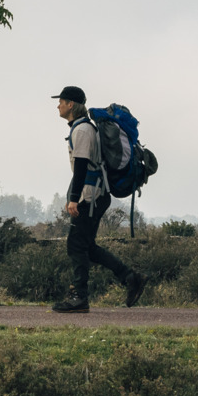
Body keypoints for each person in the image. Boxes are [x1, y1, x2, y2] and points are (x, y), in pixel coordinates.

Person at [52, 84, 145, 313]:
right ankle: (130, 277)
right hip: (95, 195)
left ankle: (79, 297)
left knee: (76, 246)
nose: (58, 106)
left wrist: (74, 199)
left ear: (71, 104)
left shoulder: (82, 130)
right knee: (87, 247)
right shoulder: (82, 128)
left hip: (90, 197)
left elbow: (81, 166)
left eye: (61, 102)